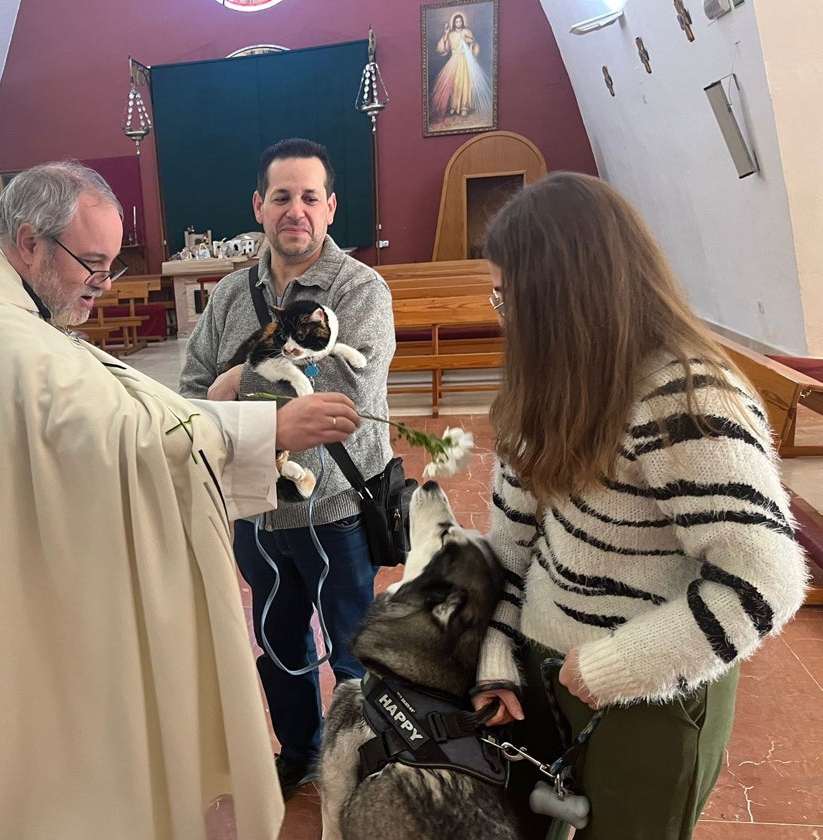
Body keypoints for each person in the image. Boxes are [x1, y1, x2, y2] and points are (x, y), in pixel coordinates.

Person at [0, 161, 365, 840]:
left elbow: (98, 405)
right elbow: (113, 436)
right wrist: (266, 430)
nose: (102, 282)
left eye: (111, 263)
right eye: (90, 262)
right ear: (29, 241)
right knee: (28, 773)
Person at [470, 172, 808, 840]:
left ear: (567, 297)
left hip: (653, 693)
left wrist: (616, 666)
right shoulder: (549, 385)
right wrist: (496, 658)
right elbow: (509, 545)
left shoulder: (684, 397)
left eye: (512, 298)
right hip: (546, 667)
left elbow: (767, 578)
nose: (500, 314)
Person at [180, 138, 395, 799]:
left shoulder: (360, 290)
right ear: (259, 207)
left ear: (330, 208)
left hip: (335, 513)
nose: (294, 210)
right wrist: (234, 389)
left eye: (309, 197)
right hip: (257, 513)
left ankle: (362, 764)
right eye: (281, 197)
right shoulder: (228, 295)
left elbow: (338, 405)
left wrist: (231, 385)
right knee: (278, 646)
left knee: (354, 652)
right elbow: (190, 392)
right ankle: (300, 753)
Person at [431, 12, 492, 120]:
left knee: (465, 83)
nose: (458, 23)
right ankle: (454, 106)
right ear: (454, 23)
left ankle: (464, 106)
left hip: (465, 60)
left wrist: (470, 41)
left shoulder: (467, 32)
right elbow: (443, 48)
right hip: (454, 61)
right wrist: (446, 33)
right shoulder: (451, 34)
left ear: (462, 22)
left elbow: (474, 45)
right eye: (456, 21)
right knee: (455, 84)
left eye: (460, 21)